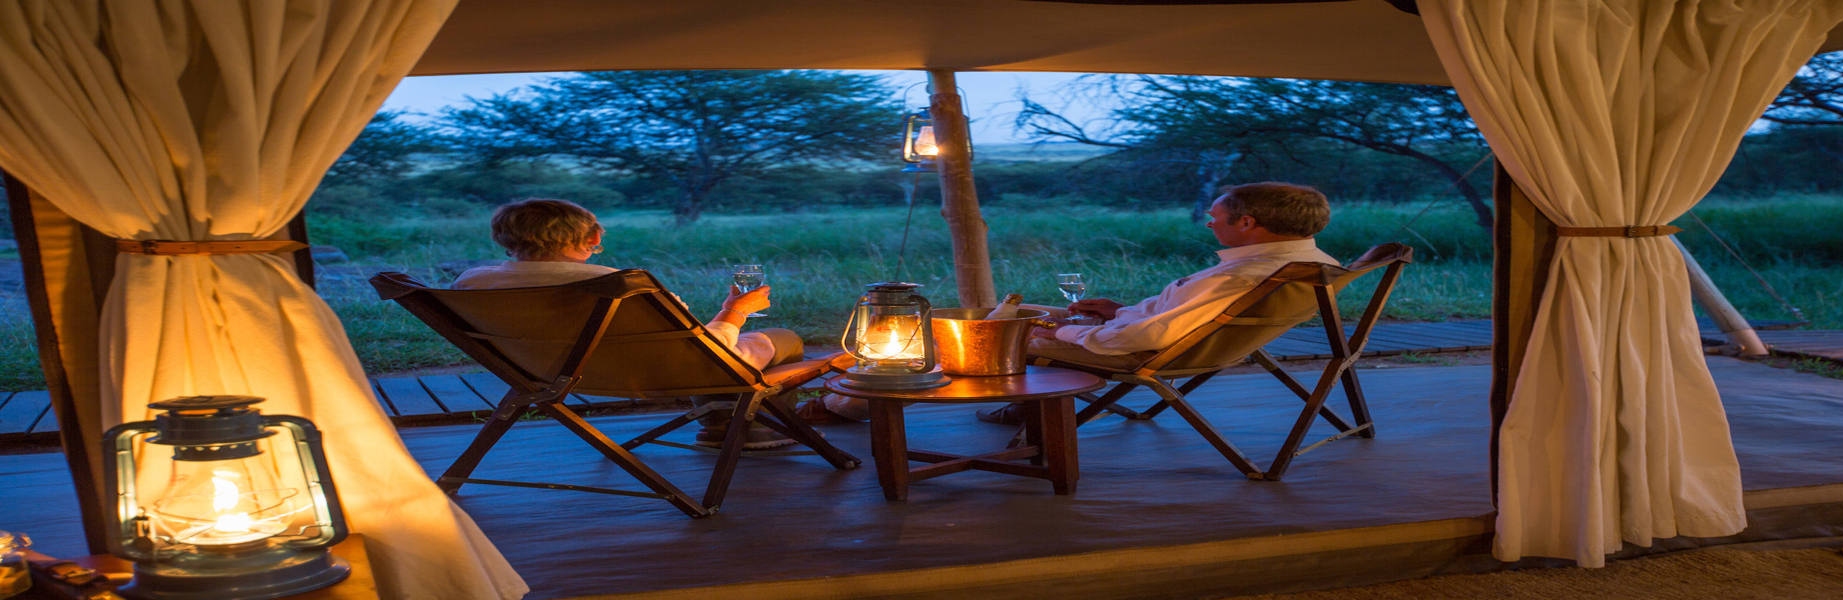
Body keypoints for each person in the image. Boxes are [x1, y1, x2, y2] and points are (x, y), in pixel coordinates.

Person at [798, 181, 1339, 424]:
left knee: (973, 338)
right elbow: (1174, 319)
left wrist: (1064, 335)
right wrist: (1118, 310)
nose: (1208, 221)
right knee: (1013, 317)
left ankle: (842, 405)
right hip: (1162, 342)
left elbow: (1148, 340)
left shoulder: (1245, 274)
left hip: (1140, 355)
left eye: (1217, 215)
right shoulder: (1307, 263)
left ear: (1247, 223)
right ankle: (1026, 412)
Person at [452, 198, 804, 448]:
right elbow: (707, 353)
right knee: (782, 338)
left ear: (504, 237)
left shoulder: (473, 283)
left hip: (544, 376)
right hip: (665, 374)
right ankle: (753, 430)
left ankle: (719, 425)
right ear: (593, 239)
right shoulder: (622, 286)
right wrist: (735, 311)